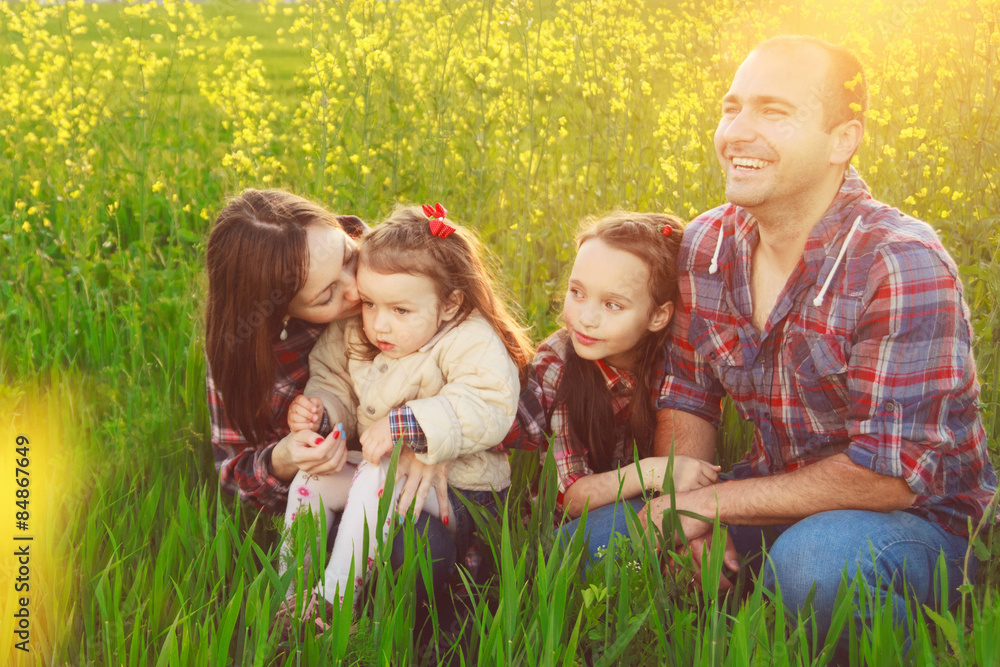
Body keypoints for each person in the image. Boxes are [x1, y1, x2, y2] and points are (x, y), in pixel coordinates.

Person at [649, 35, 997, 654]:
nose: (737, 132)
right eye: (732, 108)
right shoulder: (707, 243)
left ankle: (929, 639)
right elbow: (688, 393)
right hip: (771, 496)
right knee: (595, 546)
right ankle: (746, 595)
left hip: (917, 525)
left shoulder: (898, 262)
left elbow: (891, 478)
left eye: (774, 112)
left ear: (843, 140)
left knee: (816, 563)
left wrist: (712, 504)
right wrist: (684, 510)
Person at [204, 190, 455, 631]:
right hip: (338, 492)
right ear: (281, 315)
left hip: (413, 480)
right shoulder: (243, 354)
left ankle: (400, 634)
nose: (358, 287)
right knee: (325, 529)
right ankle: (295, 615)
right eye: (326, 296)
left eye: (346, 254)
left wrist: (434, 436)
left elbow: (485, 377)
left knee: (415, 549)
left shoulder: (394, 261)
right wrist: (282, 458)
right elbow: (233, 470)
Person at [285, 203, 533, 609]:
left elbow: (487, 403)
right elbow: (333, 380)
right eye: (369, 304)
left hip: (465, 491)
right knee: (311, 481)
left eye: (400, 310)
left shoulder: (469, 338)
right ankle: (290, 592)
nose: (380, 324)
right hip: (384, 476)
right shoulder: (356, 331)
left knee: (379, 472)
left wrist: (407, 423)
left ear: (449, 304)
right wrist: (321, 411)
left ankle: (334, 600)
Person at [505, 212, 720, 560]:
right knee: (598, 540)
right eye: (577, 292)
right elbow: (569, 497)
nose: (586, 318)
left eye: (612, 304)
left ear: (658, 316)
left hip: (655, 505)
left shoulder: (680, 361)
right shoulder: (559, 362)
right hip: (571, 525)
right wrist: (654, 471)